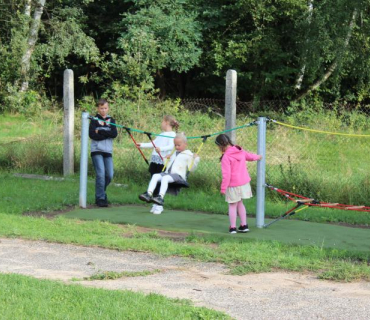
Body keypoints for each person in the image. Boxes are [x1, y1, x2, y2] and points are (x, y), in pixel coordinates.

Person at [138, 133, 200, 214]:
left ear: (185, 144)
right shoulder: (173, 153)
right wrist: (166, 159)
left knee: (165, 178)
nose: (177, 147)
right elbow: (167, 165)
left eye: (179, 145)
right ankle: (148, 194)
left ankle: (160, 197)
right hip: (167, 173)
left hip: (178, 176)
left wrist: (196, 159)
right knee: (155, 176)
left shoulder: (188, 155)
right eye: (175, 145)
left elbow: (191, 169)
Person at [215, 134, 262, 234]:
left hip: (233, 185)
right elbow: (249, 156)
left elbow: (226, 175)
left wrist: (223, 188)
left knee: (232, 205)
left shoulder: (226, 157)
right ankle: (244, 225)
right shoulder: (239, 150)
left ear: (220, 145)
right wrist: (258, 157)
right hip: (244, 183)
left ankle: (232, 227)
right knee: (240, 203)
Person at [136, 115, 179, 214]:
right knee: (154, 181)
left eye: (162, 121)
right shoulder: (161, 134)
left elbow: (171, 146)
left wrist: (161, 149)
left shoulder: (172, 134)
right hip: (155, 161)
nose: (161, 123)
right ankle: (155, 203)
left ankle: (159, 205)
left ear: (167, 123)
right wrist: (141, 145)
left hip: (162, 162)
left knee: (160, 183)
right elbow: (153, 144)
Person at [89, 98, 118, 207]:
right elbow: (92, 135)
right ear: (98, 108)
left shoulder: (112, 120)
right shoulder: (94, 119)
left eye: (105, 108)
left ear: (108, 108)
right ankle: (100, 198)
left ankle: (100, 192)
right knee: (100, 174)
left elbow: (114, 134)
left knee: (109, 174)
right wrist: (106, 132)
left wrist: (100, 130)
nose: (103, 110)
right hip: (97, 150)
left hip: (108, 151)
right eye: (101, 108)